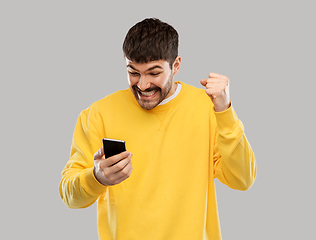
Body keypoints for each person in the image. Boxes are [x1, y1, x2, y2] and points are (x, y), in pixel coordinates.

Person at [59, 18, 256, 240]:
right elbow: (69, 196)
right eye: (133, 72)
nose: (142, 85)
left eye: (154, 73)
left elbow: (242, 179)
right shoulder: (98, 114)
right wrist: (96, 178)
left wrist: (225, 111)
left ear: (176, 65)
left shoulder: (208, 108)